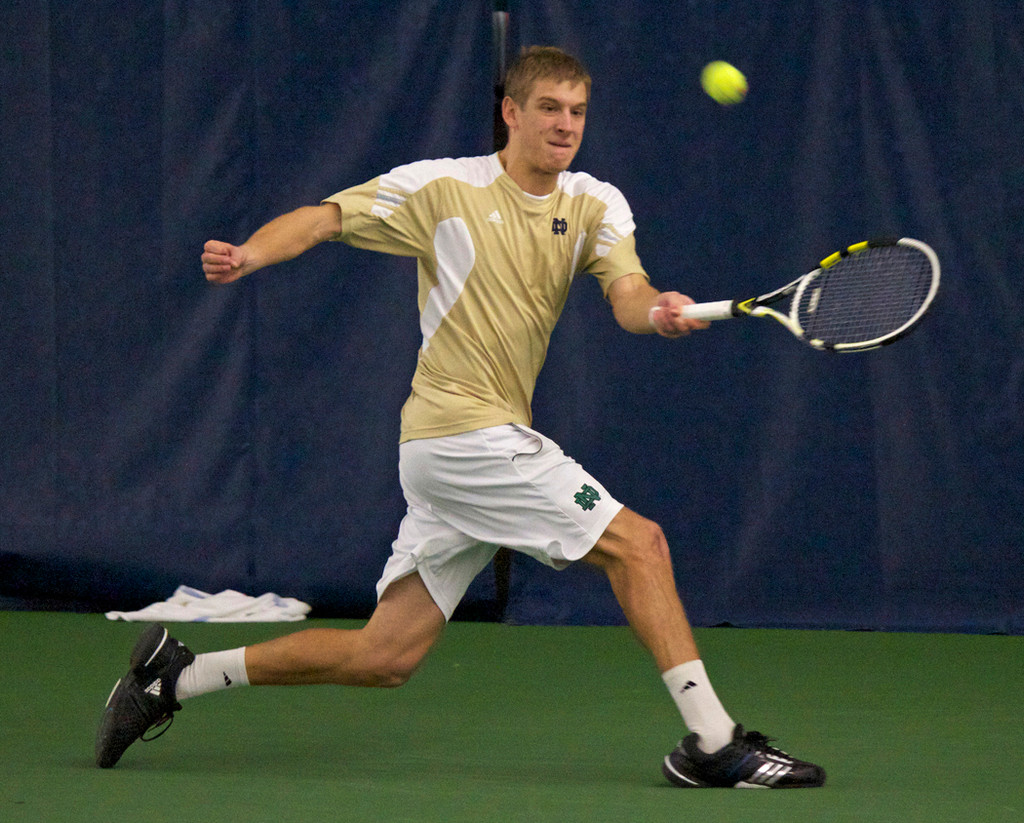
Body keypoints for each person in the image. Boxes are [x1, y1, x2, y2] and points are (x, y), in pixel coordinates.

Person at [96, 46, 825, 789]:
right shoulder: (442, 186)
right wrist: (250, 255)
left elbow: (628, 294)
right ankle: (712, 742)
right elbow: (323, 219)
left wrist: (659, 310)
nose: (565, 125)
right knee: (640, 545)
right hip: (461, 435)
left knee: (384, 656)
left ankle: (174, 677)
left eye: (577, 112)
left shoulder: (596, 203)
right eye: (549, 108)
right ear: (511, 112)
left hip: (467, 447)